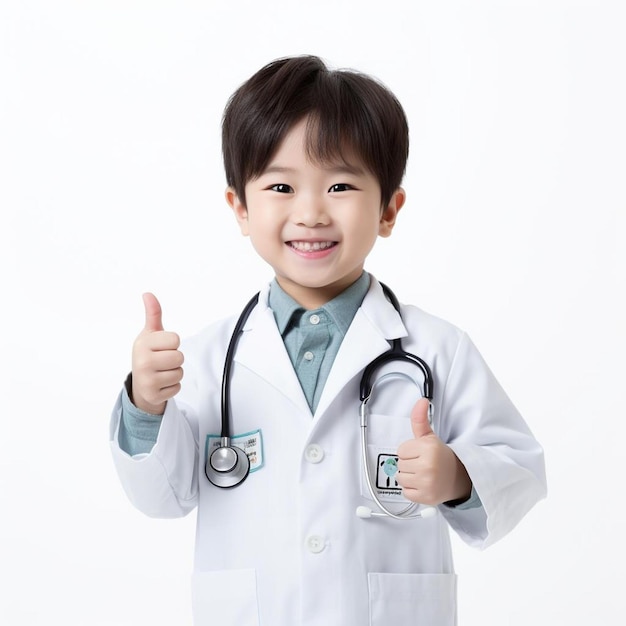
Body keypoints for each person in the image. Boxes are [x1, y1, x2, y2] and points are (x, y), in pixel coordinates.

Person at [109, 55, 546, 625]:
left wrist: (459, 477)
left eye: (340, 184)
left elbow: (519, 467)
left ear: (389, 208)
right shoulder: (208, 358)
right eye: (282, 186)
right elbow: (160, 497)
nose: (311, 212)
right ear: (240, 208)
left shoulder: (438, 349)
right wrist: (147, 404)